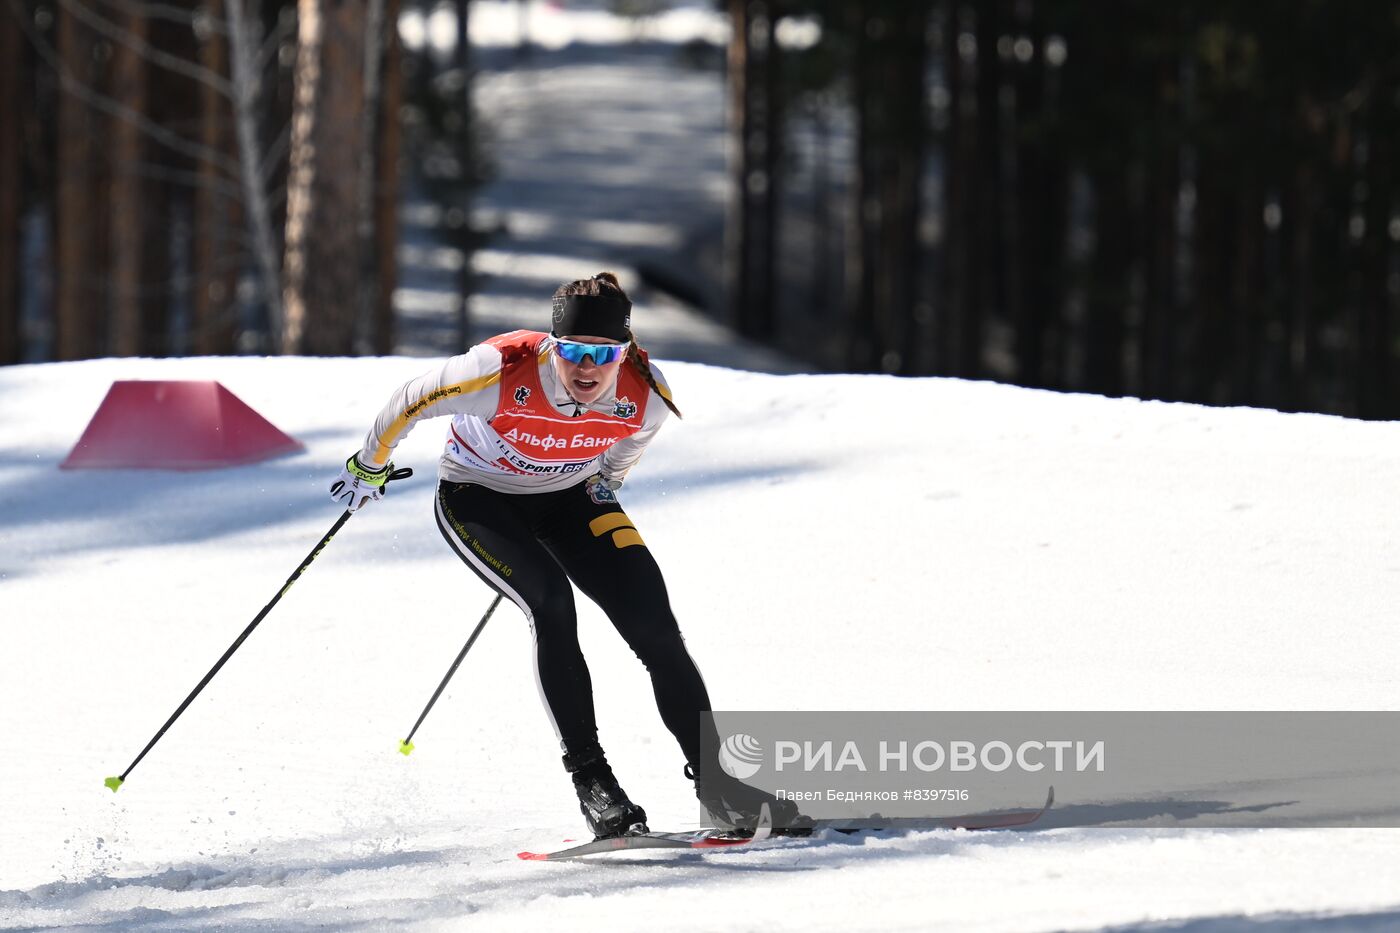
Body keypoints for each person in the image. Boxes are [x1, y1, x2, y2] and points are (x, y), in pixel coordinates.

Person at [331, 272, 794, 838]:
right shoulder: (498, 369)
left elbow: (623, 454)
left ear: (625, 353)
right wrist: (370, 462)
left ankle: (720, 788)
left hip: (572, 497)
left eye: (604, 354)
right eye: (573, 351)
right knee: (552, 604)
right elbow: (409, 400)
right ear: (552, 345)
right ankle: (594, 784)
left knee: (655, 628)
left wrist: (598, 484)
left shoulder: (644, 393)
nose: (587, 368)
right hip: (478, 497)